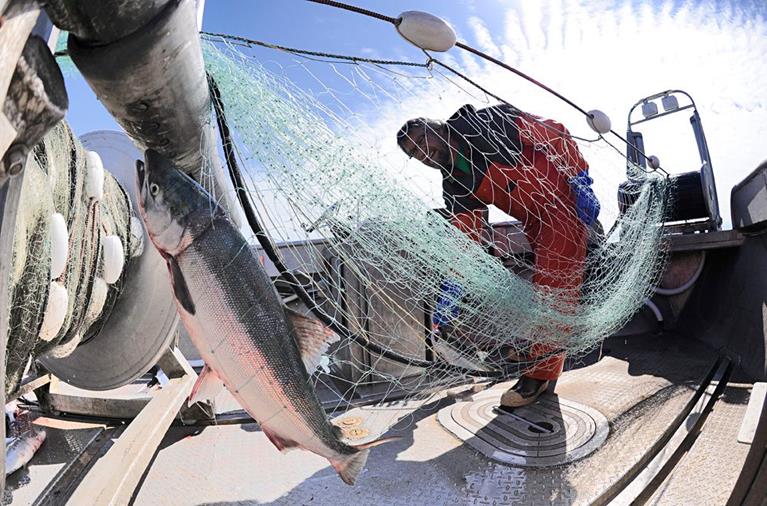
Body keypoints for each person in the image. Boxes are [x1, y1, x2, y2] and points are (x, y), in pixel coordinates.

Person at [397, 103, 600, 408]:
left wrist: (579, 177)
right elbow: (467, 236)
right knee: (546, 292)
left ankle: (538, 376)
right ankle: (542, 359)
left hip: (565, 205)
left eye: (423, 141)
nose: (424, 154)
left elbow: (555, 134)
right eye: (414, 153)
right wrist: (454, 282)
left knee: (555, 292)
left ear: (435, 127)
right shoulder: (454, 184)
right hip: (535, 223)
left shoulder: (488, 122)